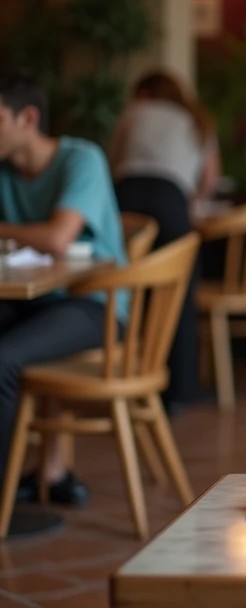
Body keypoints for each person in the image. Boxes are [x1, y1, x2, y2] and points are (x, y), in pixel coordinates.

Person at [0, 68, 127, 506]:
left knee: (3, 361)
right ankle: (46, 471)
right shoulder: (3, 173)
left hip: (96, 306)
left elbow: (58, 238)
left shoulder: (81, 159)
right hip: (35, 301)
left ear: (28, 119)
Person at [109, 69, 220, 412]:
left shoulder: (132, 113)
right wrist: (189, 201)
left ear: (144, 93)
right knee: (178, 293)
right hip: (170, 198)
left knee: (125, 286)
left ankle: (118, 380)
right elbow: (210, 178)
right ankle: (179, 393)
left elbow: (112, 165)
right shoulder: (197, 119)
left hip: (126, 197)